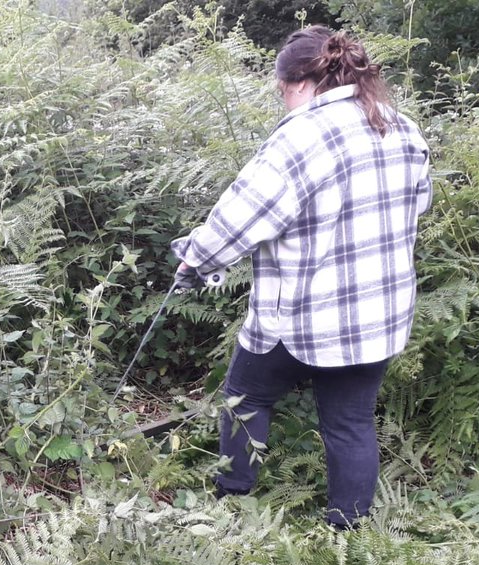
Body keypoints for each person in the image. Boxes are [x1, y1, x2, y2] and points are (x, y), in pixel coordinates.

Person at [170, 26, 432, 529]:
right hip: (378, 315)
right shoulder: (400, 126)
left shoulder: (301, 137)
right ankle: (346, 533)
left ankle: (232, 498)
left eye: (282, 90)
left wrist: (194, 259)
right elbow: (418, 205)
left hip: (304, 314)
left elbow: (240, 218)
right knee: (351, 423)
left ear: (300, 82)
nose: (283, 101)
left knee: (245, 397)